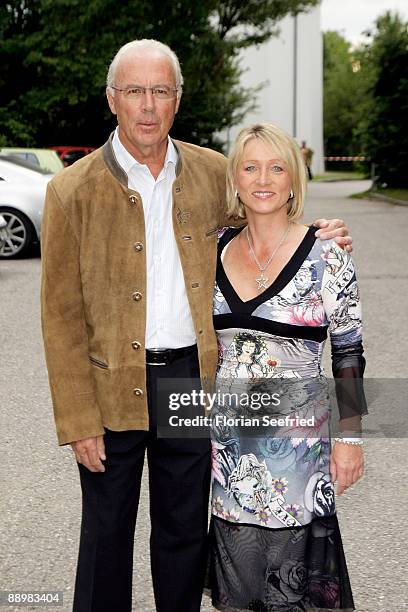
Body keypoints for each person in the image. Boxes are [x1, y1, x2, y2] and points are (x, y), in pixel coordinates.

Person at [40, 39, 353, 612]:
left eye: (161, 91)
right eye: (135, 91)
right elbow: (60, 319)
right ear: (113, 99)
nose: (148, 105)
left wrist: (317, 236)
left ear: (177, 100)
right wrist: (78, 419)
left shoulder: (211, 172)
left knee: (184, 534)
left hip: (191, 381)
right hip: (111, 385)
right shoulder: (71, 191)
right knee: (106, 536)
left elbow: (264, 220)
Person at [207, 123, 366, 611]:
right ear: (235, 178)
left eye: (277, 167)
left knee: (290, 596)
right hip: (229, 458)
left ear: (294, 179)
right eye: (251, 166)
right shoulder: (211, 249)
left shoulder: (326, 256)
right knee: (239, 594)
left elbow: (348, 354)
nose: (263, 179)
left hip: (298, 460)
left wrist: (350, 440)